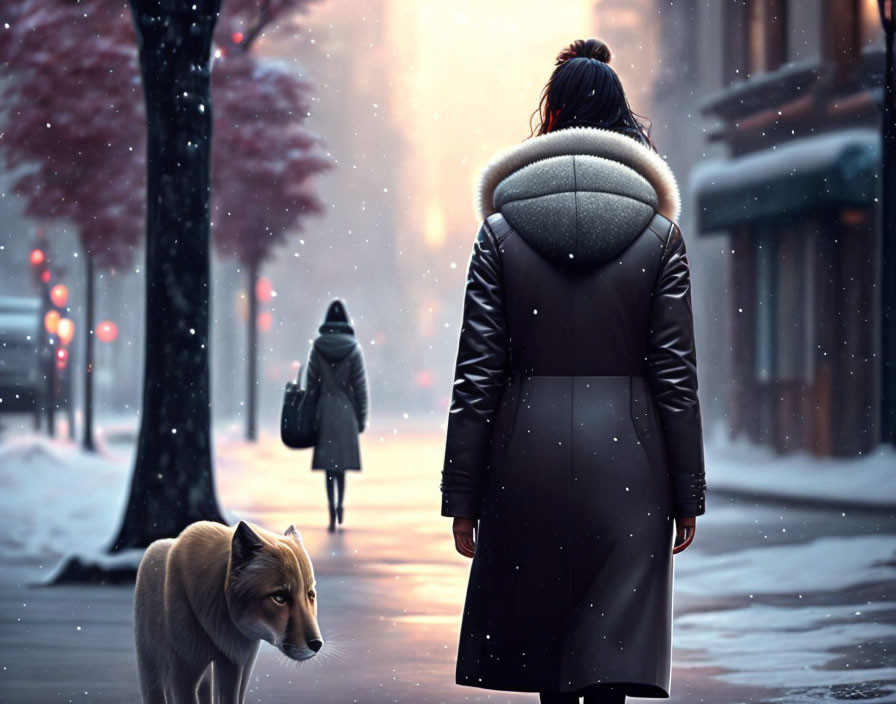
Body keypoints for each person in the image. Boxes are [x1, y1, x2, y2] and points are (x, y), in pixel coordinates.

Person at [440, 38, 706, 703]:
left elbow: (478, 374)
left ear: (550, 119)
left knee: (547, 658)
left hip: (524, 460)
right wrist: (687, 492)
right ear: (625, 125)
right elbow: (675, 376)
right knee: (608, 659)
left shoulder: (501, 234)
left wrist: (462, 497)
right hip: (630, 469)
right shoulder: (659, 236)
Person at [306, 299, 369, 532]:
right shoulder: (354, 349)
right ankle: (341, 504)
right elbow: (360, 387)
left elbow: (311, 383)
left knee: (328, 467)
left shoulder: (317, 348)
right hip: (345, 411)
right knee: (340, 465)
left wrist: (310, 415)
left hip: (324, 409)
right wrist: (361, 417)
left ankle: (330, 509)